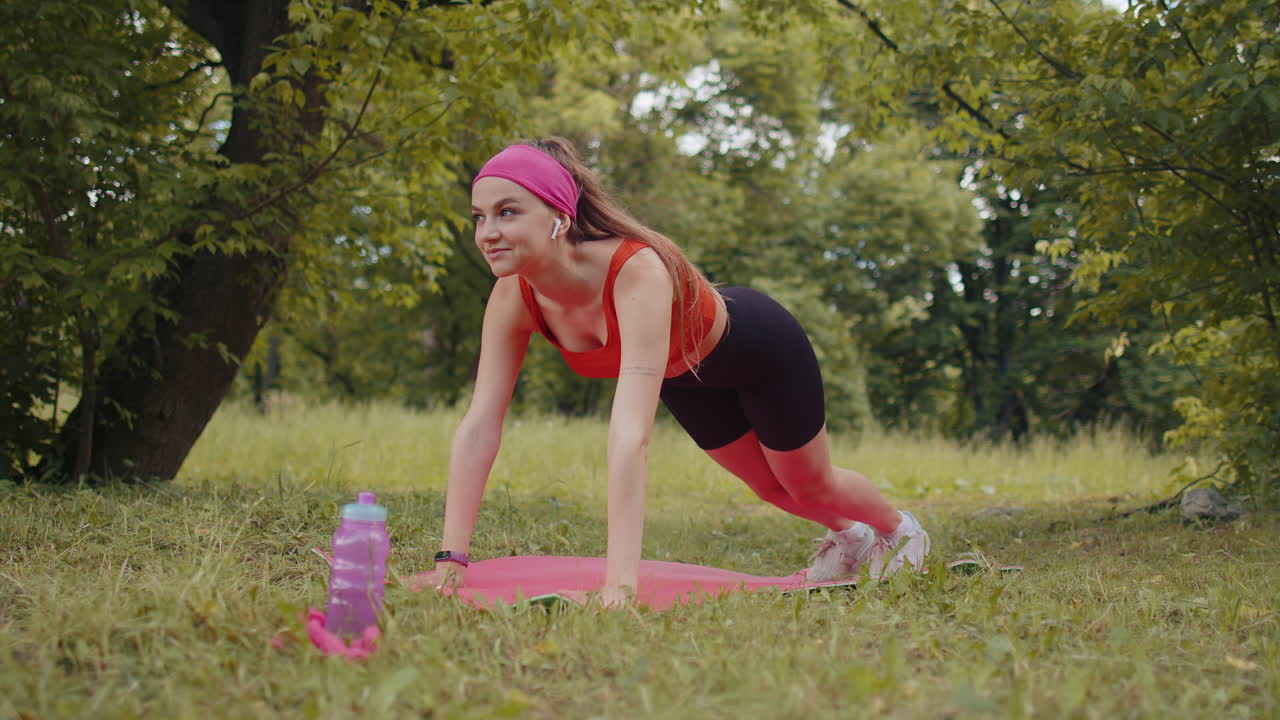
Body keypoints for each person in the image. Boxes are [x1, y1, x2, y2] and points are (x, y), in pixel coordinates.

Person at [424, 138, 929, 608]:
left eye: (507, 212)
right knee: (770, 490)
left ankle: (899, 530)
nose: (487, 232)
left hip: (759, 350)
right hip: (685, 376)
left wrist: (618, 589)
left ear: (559, 215)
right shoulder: (514, 294)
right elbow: (480, 425)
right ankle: (853, 539)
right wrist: (452, 561)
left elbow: (629, 436)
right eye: (479, 217)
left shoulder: (635, 269)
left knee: (809, 486)